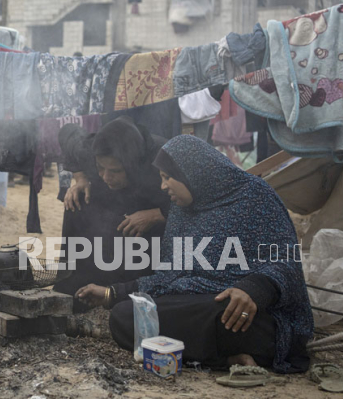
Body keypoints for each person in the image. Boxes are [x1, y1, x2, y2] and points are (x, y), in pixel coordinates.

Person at [77, 135, 312, 373]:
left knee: (226, 315)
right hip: (197, 306)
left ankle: (219, 352)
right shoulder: (181, 211)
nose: (163, 186)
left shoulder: (254, 196)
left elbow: (286, 262)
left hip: (244, 313)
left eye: (168, 177)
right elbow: (169, 276)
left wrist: (253, 289)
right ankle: (226, 359)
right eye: (161, 178)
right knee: (125, 317)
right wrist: (112, 293)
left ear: (194, 172)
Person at [53, 117, 170, 310]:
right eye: (100, 168)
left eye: (115, 170)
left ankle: (127, 291)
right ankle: (73, 284)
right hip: (110, 205)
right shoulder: (88, 148)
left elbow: (198, 198)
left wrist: (158, 214)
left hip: (151, 220)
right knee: (76, 199)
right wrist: (81, 177)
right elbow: (67, 131)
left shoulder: (162, 155)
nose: (106, 176)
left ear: (131, 164)